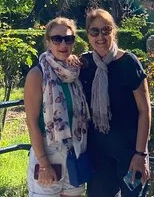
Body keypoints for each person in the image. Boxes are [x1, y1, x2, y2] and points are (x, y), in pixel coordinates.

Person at [79, 9, 152, 196]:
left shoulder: (129, 63)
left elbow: (144, 111)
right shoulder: (84, 63)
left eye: (106, 30)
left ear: (114, 31)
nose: (100, 37)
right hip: (99, 155)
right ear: (88, 34)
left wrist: (141, 154)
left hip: (130, 153)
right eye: (94, 31)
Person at [24, 17, 90, 197]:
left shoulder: (75, 72)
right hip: (48, 151)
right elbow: (31, 122)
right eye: (57, 39)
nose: (63, 44)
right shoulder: (37, 75)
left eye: (68, 39)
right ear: (48, 42)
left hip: (76, 151)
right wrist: (44, 164)